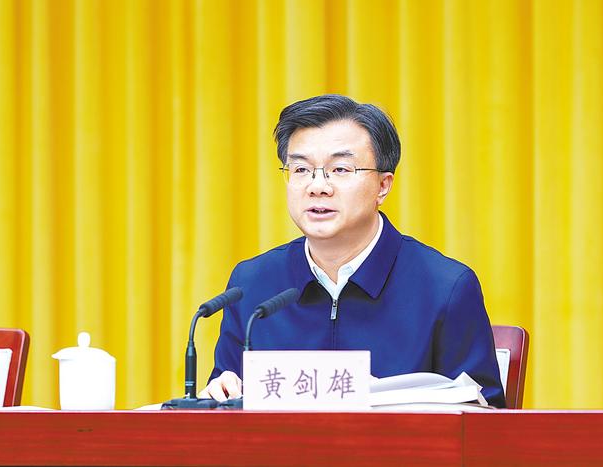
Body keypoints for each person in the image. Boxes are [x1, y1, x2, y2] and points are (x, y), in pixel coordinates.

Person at [198, 94, 506, 408]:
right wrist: (220, 395)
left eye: (341, 169)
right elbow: (225, 404)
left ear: (383, 186)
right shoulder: (251, 285)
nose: (318, 186)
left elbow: (485, 420)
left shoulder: (445, 287)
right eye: (301, 169)